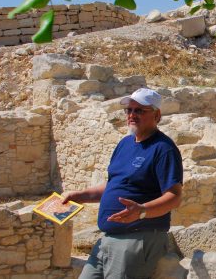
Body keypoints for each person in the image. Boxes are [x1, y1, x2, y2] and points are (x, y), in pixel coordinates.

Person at [62, 88, 183, 279]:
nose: (132, 115)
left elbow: (174, 197)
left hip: (136, 238)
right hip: (107, 239)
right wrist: (80, 196)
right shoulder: (125, 143)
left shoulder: (164, 149)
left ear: (157, 114)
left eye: (139, 111)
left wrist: (141, 211)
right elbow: (115, 185)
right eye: (129, 110)